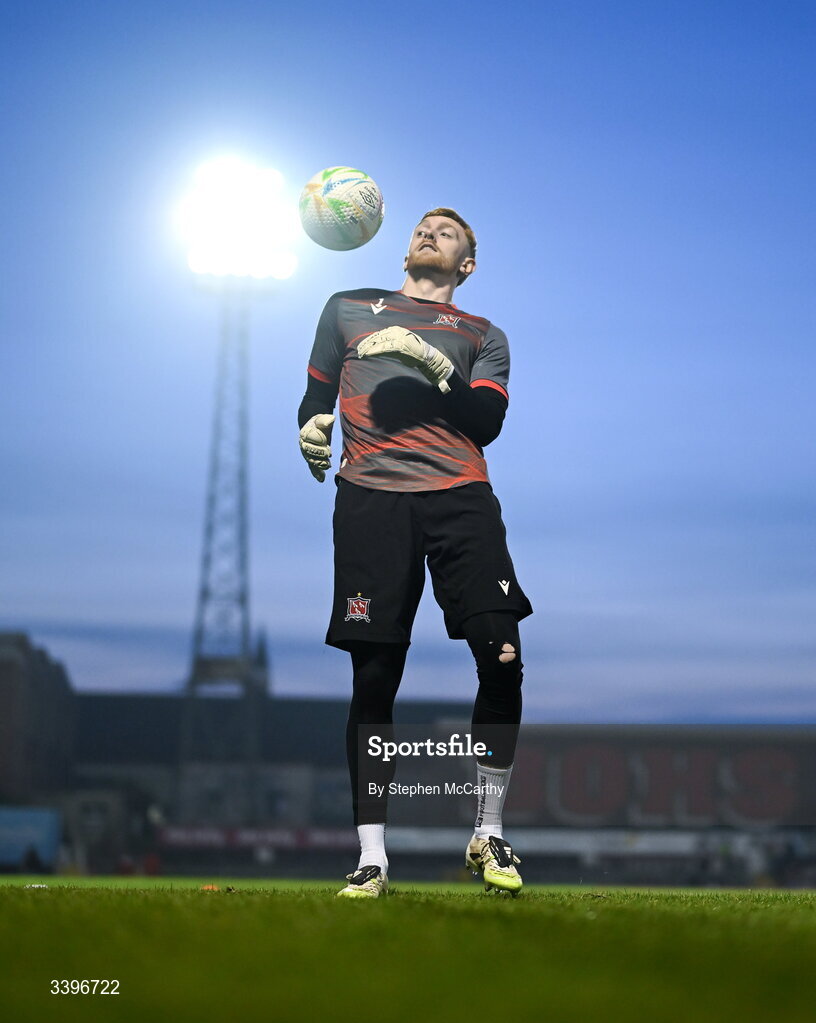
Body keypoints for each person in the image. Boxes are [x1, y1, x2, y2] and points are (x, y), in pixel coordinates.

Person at [297, 208, 532, 898]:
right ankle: (373, 857)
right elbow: (316, 397)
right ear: (406, 245)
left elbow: (485, 422)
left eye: (449, 232)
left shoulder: (483, 335)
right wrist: (311, 425)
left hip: (460, 498)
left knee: (503, 655)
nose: (432, 232)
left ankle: (488, 833)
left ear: (467, 265)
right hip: (371, 498)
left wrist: (430, 362)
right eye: (425, 226)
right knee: (375, 676)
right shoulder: (346, 308)